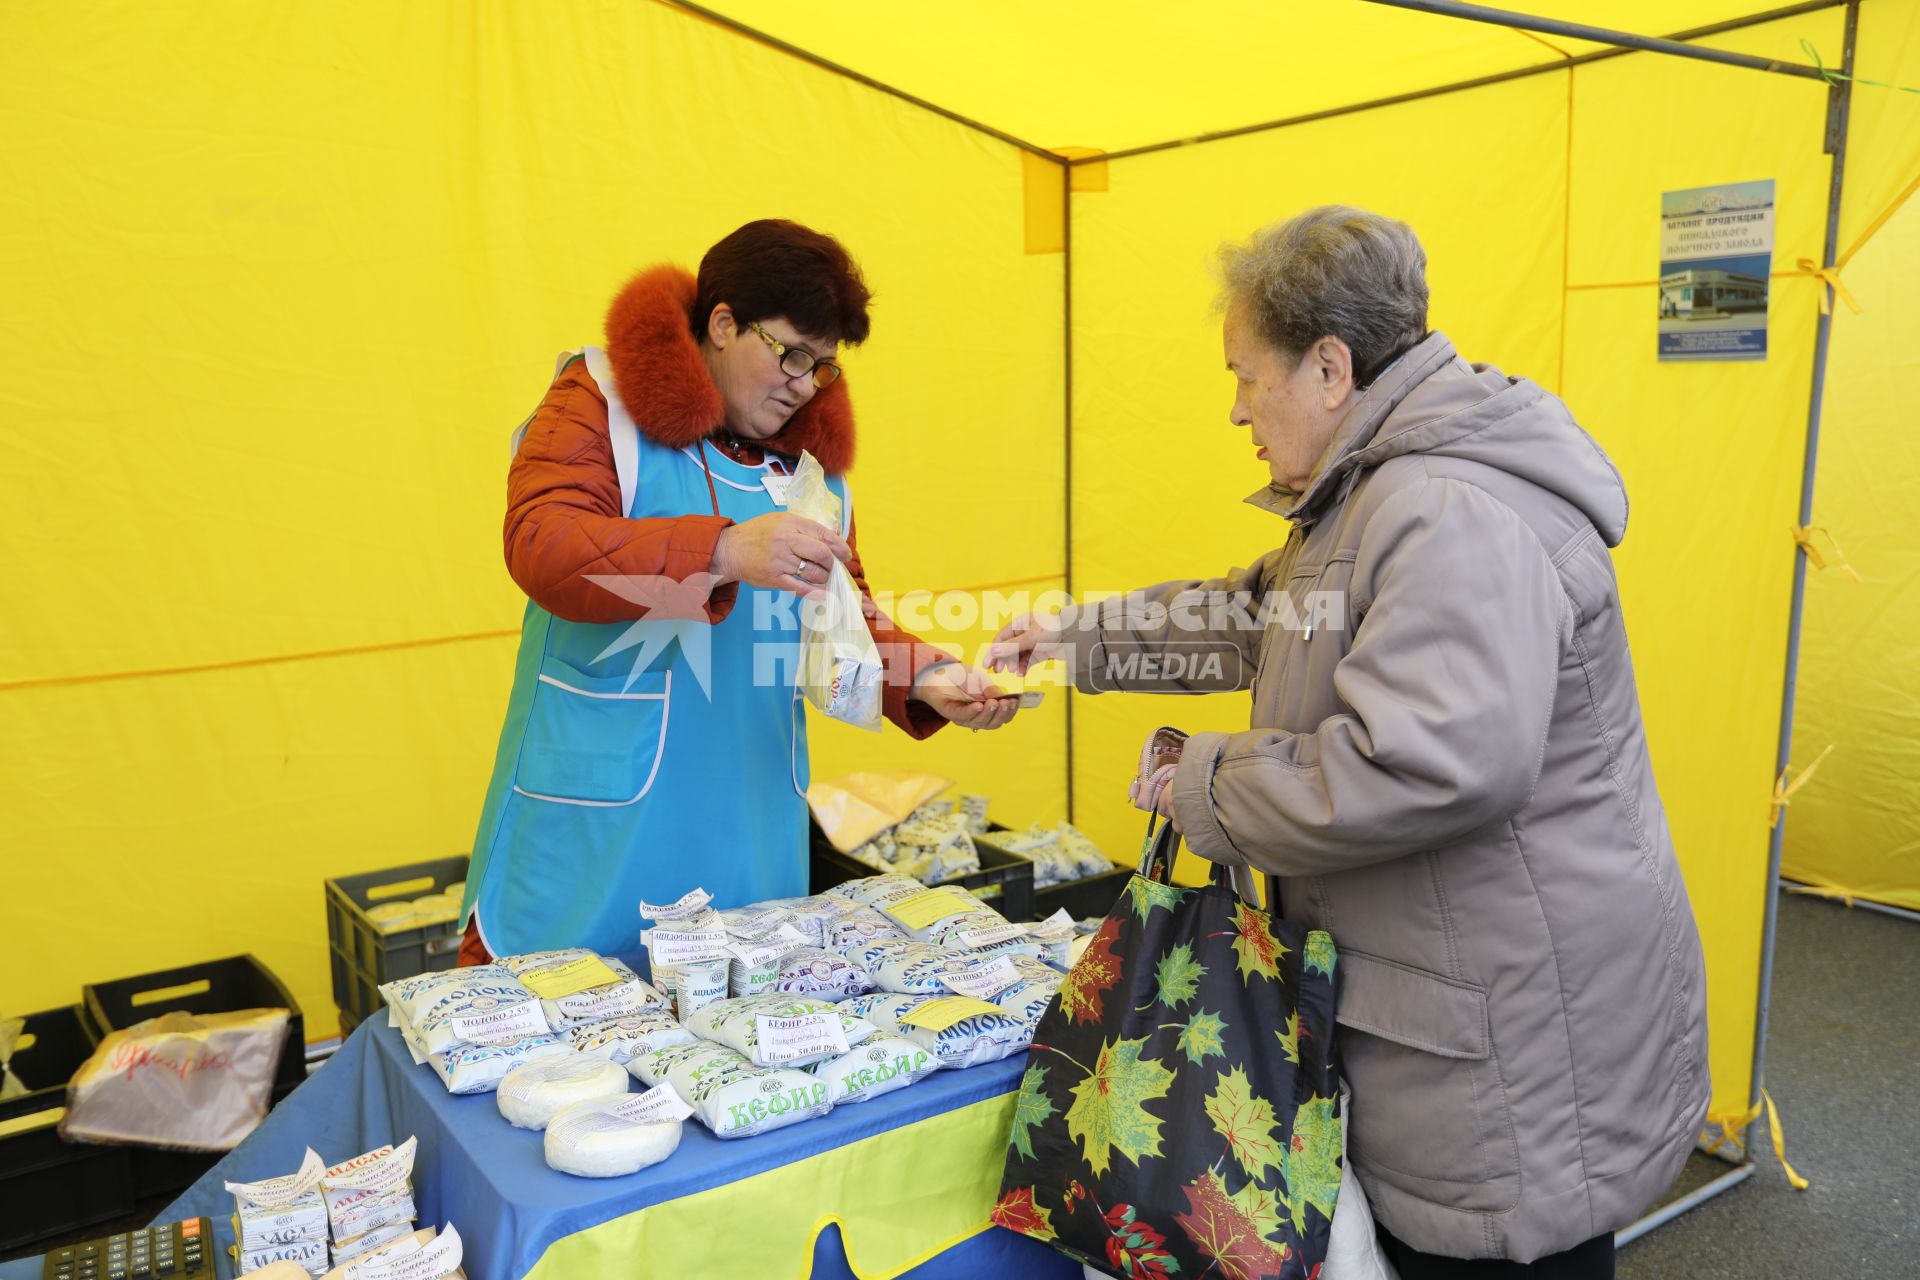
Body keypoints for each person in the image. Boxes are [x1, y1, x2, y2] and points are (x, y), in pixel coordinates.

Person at [991, 206, 1708, 1277]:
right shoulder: (1378, 489)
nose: (1235, 409)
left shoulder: (1448, 507)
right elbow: (1263, 613)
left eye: (1244, 374)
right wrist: (1068, 639)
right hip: (1461, 1010)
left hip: (1504, 1050)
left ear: (1330, 366)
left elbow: (1423, 761)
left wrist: (1203, 779)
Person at [460, 219, 1015, 963]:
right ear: (721, 323)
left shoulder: (813, 477)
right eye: (789, 353)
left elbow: (844, 617)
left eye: (821, 367)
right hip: (595, 840)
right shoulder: (599, 402)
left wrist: (930, 676)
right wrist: (721, 550)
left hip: (751, 834)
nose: (801, 384)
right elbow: (543, 544)